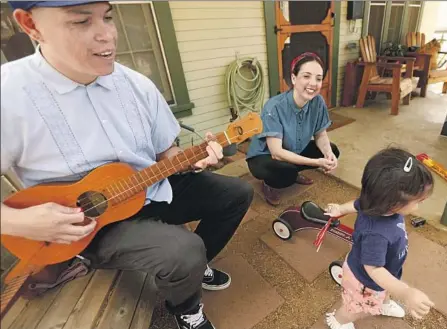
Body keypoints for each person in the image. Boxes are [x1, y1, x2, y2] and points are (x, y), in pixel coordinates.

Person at [0, 2, 254, 329]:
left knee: (236, 193)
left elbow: (167, 155)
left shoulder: (137, 85)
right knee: (183, 250)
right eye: (81, 21)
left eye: (108, 17)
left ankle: (196, 268)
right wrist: (20, 222)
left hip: (150, 188)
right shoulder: (9, 95)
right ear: (30, 25)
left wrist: (197, 158)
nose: (107, 35)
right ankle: (188, 308)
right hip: (88, 226)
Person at [322, 148, 435, 329]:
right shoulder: (376, 234)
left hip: (387, 271)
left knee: (386, 287)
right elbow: (374, 270)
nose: (421, 204)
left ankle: (383, 302)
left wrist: (341, 209)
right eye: (419, 201)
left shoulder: (375, 203)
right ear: (393, 203)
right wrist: (406, 293)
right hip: (365, 282)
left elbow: (357, 204)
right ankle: (339, 320)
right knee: (356, 308)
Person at [246, 52, 340, 206]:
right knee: (286, 173)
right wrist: (315, 162)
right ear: (294, 78)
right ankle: (270, 184)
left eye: (318, 78)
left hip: (292, 148)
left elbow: (320, 134)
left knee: (333, 150)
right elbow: (276, 152)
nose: (313, 83)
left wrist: (328, 154)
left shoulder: (318, 102)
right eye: (306, 76)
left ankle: (293, 171)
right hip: (264, 156)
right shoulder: (274, 106)